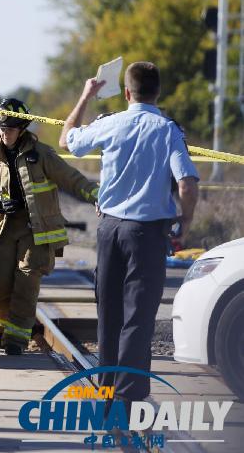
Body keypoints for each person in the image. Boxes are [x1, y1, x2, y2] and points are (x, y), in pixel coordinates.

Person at [60, 62, 199, 404]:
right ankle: (128, 397)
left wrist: (86, 95)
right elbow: (187, 183)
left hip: (109, 230)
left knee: (108, 313)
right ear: (158, 92)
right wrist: (186, 220)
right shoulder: (168, 130)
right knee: (138, 317)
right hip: (147, 234)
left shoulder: (110, 124)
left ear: (126, 92)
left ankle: (106, 391)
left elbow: (66, 140)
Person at [0, 98, 99, 355]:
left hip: (36, 230)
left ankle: (16, 341)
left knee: (26, 281)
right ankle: (6, 329)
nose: (4, 133)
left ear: (21, 128)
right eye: (1, 128)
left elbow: (72, 179)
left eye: (9, 128)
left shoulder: (41, 154)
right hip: (3, 230)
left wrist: (98, 196)